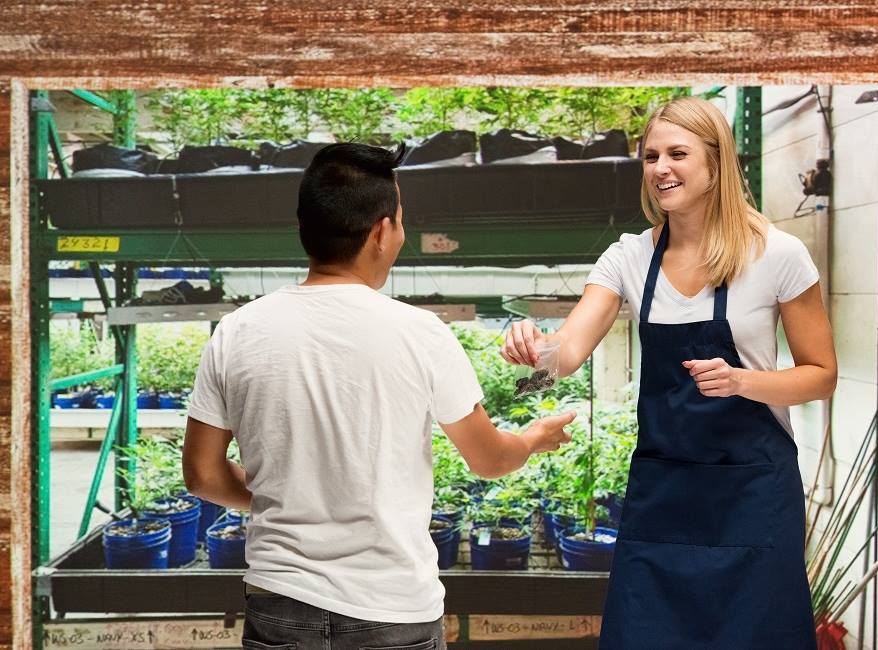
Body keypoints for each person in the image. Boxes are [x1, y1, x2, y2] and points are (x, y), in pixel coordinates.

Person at [182, 142, 575, 650]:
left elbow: (203, 474)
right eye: (402, 221)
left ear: (304, 226)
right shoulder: (420, 332)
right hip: (392, 609)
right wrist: (531, 438)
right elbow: (489, 459)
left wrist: (290, 496)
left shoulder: (236, 331)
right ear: (381, 232)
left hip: (280, 603)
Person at [502, 97, 837, 649]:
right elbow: (566, 352)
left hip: (753, 495)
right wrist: (532, 349)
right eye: (650, 155)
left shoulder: (778, 254)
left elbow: (821, 374)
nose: (661, 168)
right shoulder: (628, 258)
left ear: (714, 162)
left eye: (677, 153)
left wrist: (740, 382)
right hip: (664, 497)